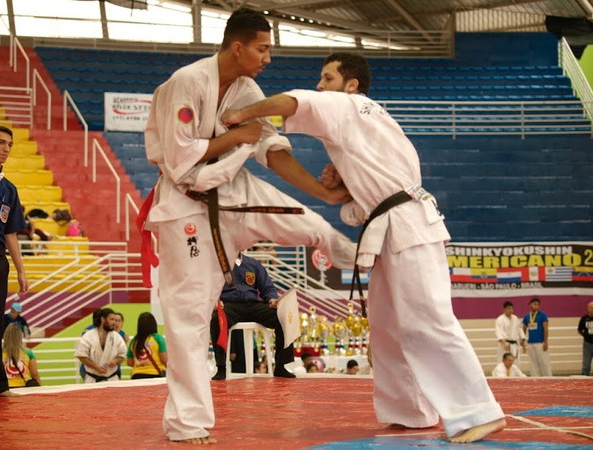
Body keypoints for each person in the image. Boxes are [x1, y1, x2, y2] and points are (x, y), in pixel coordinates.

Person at [221, 52, 507, 443]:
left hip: (409, 225)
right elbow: (365, 198)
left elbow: (293, 101)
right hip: (392, 225)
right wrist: (344, 182)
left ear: (351, 84)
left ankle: (478, 411)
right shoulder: (372, 123)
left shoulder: (347, 105)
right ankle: (409, 410)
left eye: (328, 78)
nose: (321, 85)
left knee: (427, 317)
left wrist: (238, 114)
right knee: (387, 326)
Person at [140, 8, 356, 444]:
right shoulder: (187, 82)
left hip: (235, 189)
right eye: (262, 48)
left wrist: (323, 191)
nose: (268, 58)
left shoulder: (246, 89)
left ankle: (365, 257)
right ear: (237, 47)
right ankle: (187, 422)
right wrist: (238, 137)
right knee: (189, 316)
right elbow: (181, 162)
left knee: (312, 224)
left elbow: (271, 148)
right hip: (185, 204)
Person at [210, 252, 295, 380]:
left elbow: (267, 287)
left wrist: (272, 298)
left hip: (252, 304)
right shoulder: (217, 264)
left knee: (283, 317)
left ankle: (281, 366)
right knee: (217, 319)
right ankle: (221, 367)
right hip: (230, 305)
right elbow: (210, 287)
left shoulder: (253, 264)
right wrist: (214, 299)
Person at [0, 125, 29, 397]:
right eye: (0, 142)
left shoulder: (9, 189)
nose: (6, 148)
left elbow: (11, 233)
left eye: (10, 144)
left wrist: (20, 270)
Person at [75, 307, 126, 383]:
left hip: (112, 378)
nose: (114, 323)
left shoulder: (117, 337)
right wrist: (95, 367)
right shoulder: (88, 336)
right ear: (103, 319)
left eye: (115, 320)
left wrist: (115, 361)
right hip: (92, 379)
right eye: (111, 319)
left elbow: (123, 355)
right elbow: (81, 356)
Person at [127, 312, 167, 379]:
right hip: (155, 374)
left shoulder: (134, 341)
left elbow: (129, 363)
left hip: (137, 375)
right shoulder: (158, 338)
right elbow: (164, 359)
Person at [2, 323, 41, 388]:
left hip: (5, 387)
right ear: (20, 336)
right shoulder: (28, 353)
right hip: (24, 386)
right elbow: (34, 373)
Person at [522, 297, 552, 377]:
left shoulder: (542, 315)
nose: (536, 306)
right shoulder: (527, 316)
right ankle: (535, 378)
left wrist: (546, 342)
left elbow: (545, 329)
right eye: (534, 304)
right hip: (531, 343)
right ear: (530, 305)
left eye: (538, 305)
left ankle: (548, 378)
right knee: (533, 363)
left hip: (540, 342)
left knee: (544, 362)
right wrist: (523, 341)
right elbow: (523, 329)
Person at [577, 301, 593, 376]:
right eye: (591, 308)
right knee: (586, 364)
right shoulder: (584, 318)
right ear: (588, 309)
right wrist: (585, 336)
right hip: (587, 343)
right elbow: (579, 330)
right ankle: (584, 378)